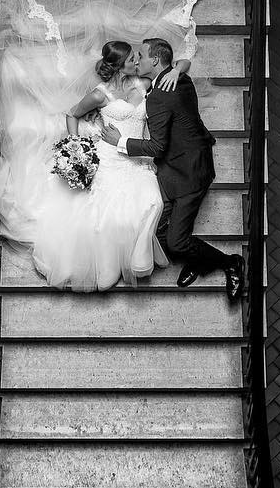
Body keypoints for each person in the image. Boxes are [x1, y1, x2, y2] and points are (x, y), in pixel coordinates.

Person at [28, 40, 191, 292]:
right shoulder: (99, 94)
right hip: (110, 159)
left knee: (153, 203)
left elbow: (181, 62)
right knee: (110, 217)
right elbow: (72, 114)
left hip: (138, 159)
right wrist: (77, 146)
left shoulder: (144, 83)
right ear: (117, 66)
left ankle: (138, 259)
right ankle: (110, 264)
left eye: (137, 58)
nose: (137, 62)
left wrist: (176, 70)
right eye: (131, 60)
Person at [99, 37, 245, 303]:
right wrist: (178, 68)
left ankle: (229, 262)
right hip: (175, 168)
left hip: (190, 174)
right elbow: (181, 63)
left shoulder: (158, 97)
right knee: (152, 226)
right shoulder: (178, 78)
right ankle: (197, 260)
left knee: (175, 241)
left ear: (154, 60)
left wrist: (118, 141)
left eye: (141, 55)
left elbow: (156, 147)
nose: (137, 60)